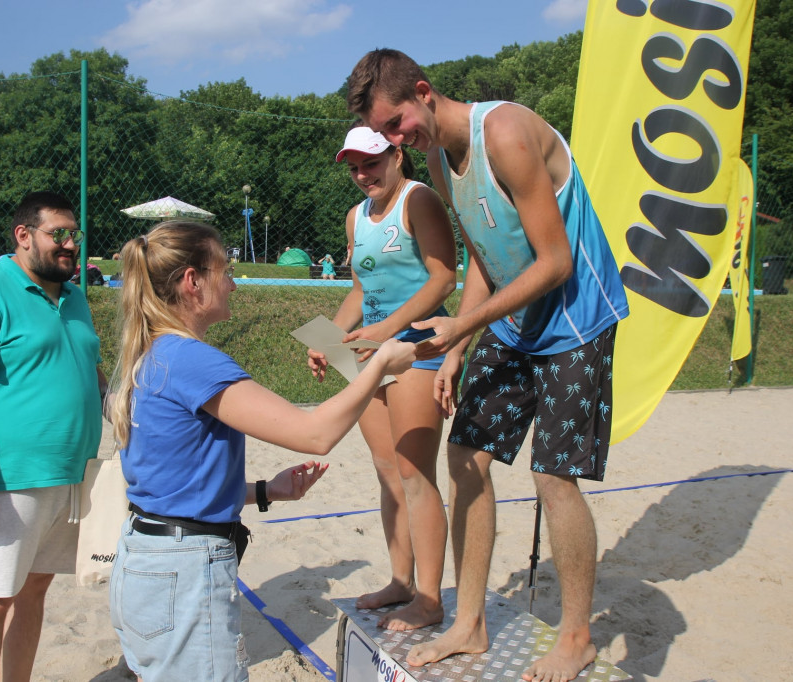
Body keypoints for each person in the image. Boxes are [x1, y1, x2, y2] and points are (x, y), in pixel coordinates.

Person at [347, 49, 630, 681]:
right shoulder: (437, 165)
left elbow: (554, 260)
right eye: (385, 133)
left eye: (396, 124)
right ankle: (469, 623)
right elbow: (484, 257)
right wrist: (456, 348)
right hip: (511, 320)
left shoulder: (503, 131)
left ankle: (577, 635)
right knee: (465, 457)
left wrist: (460, 326)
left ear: (423, 92)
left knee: (554, 478)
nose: (395, 139)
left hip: (576, 318)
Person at [109, 220, 417, 682]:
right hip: (183, 573)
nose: (232, 283)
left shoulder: (153, 352)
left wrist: (263, 491)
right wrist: (380, 365)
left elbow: (170, 480)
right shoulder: (193, 360)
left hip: (144, 561)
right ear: (193, 282)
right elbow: (316, 433)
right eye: (225, 270)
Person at [0, 190, 107, 682]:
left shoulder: (74, 298)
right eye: (58, 234)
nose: (70, 244)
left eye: (74, 234)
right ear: (23, 235)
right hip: (10, 477)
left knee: (34, 590)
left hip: (72, 475)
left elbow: (90, 375)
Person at [306, 126, 456, 631]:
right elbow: (359, 290)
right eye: (353, 167)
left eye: (370, 162)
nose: (362, 174)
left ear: (396, 155)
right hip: (371, 350)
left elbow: (444, 278)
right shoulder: (356, 217)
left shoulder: (420, 200)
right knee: (387, 472)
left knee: (416, 474)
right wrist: (329, 336)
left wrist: (390, 330)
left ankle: (430, 599)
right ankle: (401, 581)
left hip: (416, 348)